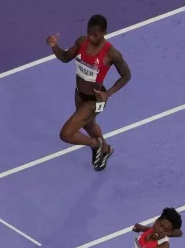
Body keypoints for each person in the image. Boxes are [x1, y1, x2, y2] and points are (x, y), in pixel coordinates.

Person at [46, 15, 131, 171]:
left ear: (104, 32)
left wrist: (108, 93)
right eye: (89, 33)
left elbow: (127, 75)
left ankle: (95, 145)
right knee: (89, 125)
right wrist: (54, 46)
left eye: (95, 35)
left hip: (95, 100)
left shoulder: (111, 53)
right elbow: (65, 57)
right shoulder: (81, 42)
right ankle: (105, 150)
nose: (91, 37)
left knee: (65, 134)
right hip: (79, 94)